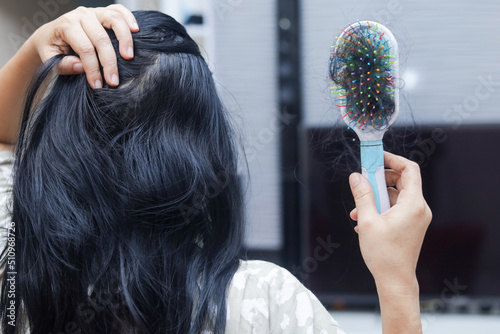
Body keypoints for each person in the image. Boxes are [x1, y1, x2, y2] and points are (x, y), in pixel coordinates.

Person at [0, 5, 432, 334]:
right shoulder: (264, 301)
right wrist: (397, 283)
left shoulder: (16, 280)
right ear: (199, 160)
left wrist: (39, 41)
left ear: (50, 150)